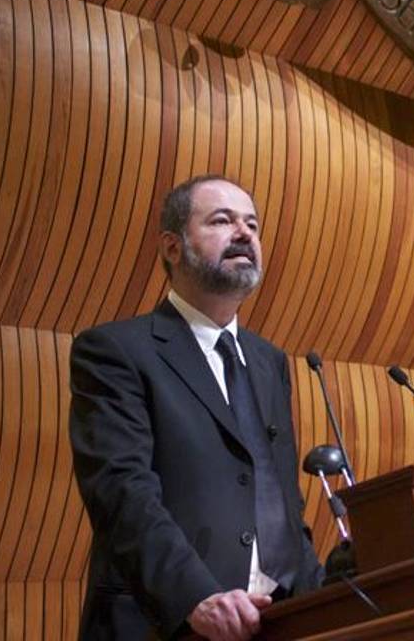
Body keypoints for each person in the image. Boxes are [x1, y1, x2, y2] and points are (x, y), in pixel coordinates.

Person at [69, 176, 324, 640]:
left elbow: (279, 498)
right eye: (222, 221)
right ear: (172, 247)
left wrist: (318, 592)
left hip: (280, 622)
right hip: (168, 623)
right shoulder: (115, 351)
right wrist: (193, 597)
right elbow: (121, 493)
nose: (244, 233)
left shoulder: (269, 362)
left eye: (252, 223)